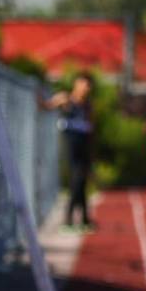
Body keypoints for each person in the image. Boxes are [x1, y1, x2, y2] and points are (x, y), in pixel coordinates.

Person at [41, 71, 96, 231]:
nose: (86, 88)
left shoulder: (88, 105)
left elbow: (92, 129)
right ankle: (68, 220)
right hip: (71, 146)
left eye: (88, 85)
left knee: (83, 183)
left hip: (84, 147)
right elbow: (48, 106)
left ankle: (84, 219)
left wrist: (93, 154)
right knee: (76, 181)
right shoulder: (66, 99)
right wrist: (38, 98)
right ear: (76, 84)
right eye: (83, 84)